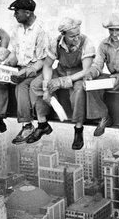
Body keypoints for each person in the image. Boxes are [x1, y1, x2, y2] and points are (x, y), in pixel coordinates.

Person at [0, 0, 49, 144]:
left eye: (17, 12)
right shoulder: (17, 29)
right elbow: (15, 53)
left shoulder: (41, 30)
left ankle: (27, 125)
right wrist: (6, 65)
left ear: (27, 13)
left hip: (35, 69)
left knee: (21, 86)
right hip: (19, 66)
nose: (15, 16)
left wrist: (25, 72)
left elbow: (42, 60)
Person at [27, 17, 95, 149]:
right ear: (63, 35)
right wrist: (47, 87)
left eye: (77, 35)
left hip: (78, 74)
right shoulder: (56, 42)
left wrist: (62, 82)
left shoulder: (87, 43)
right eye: (72, 36)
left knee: (79, 91)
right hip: (61, 70)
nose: (76, 38)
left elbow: (86, 70)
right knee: (36, 84)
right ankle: (42, 124)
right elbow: (47, 66)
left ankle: (78, 129)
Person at [84, 12, 119, 139]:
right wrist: (91, 73)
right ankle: (103, 116)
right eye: (111, 30)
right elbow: (98, 64)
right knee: (91, 85)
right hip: (113, 77)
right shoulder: (104, 44)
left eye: (117, 30)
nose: (114, 34)